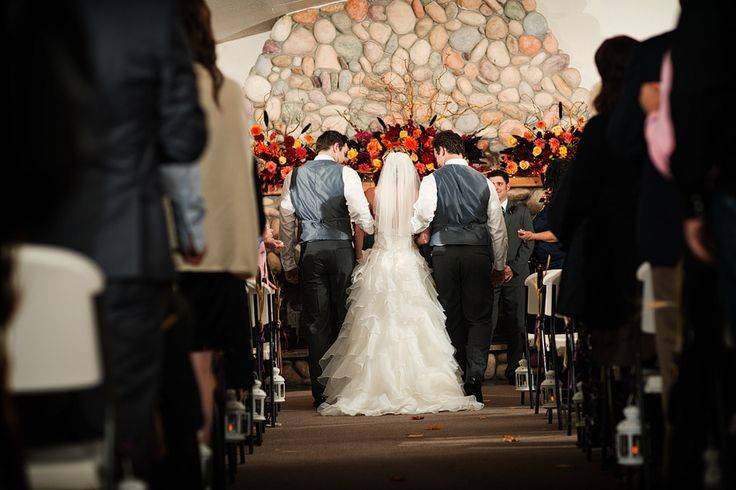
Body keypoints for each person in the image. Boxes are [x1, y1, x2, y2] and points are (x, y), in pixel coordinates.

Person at [26, 0, 207, 483]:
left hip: (26, 255)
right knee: (123, 418)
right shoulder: (147, 16)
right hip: (124, 241)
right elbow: (184, 137)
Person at [317, 151, 483, 416]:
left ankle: (371, 385)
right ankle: (425, 384)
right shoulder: (417, 196)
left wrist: (360, 254)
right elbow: (423, 231)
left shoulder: (373, 194)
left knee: (376, 322)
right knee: (416, 321)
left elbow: (364, 228)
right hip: (408, 260)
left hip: (381, 260)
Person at [175, 0, 260, 452]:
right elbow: (243, 175)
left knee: (180, 351)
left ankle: (190, 447)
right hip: (222, 245)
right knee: (208, 352)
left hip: (171, 245)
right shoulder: (226, 91)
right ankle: (207, 444)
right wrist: (247, 244)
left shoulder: (154, 89)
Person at [547, 35, 641, 366]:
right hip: (652, 247)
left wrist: (569, 231)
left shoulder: (602, 128)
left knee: (609, 353)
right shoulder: (659, 122)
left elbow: (575, 197)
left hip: (607, 256)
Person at [279, 131, 374, 408]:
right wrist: (371, 232)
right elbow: (358, 212)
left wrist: (288, 262)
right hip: (341, 248)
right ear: (335, 147)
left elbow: (286, 220)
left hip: (311, 250)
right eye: (344, 151)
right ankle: (344, 388)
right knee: (344, 316)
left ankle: (321, 392)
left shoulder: (293, 176)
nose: (345, 156)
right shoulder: (346, 174)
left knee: (316, 320)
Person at [411, 131, 508, 403]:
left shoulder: (432, 179)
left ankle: (457, 374)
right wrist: (499, 264)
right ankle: (475, 378)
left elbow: (423, 215)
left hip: (444, 254)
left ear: (441, 151)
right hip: (477, 253)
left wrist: (410, 231)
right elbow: (497, 228)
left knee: (449, 314)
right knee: (479, 317)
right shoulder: (484, 182)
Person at [488, 170, 534, 383]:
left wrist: (511, 268)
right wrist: (495, 268)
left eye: (499, 183)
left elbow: (528, 244)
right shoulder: (482, 213)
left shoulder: (521, 210)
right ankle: (477, 370)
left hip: (515, 275)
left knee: (517, 322)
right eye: (492, 184)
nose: (496, 187)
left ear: (507, 187)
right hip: (490, 275)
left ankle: (515, 370)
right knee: (488, 320)